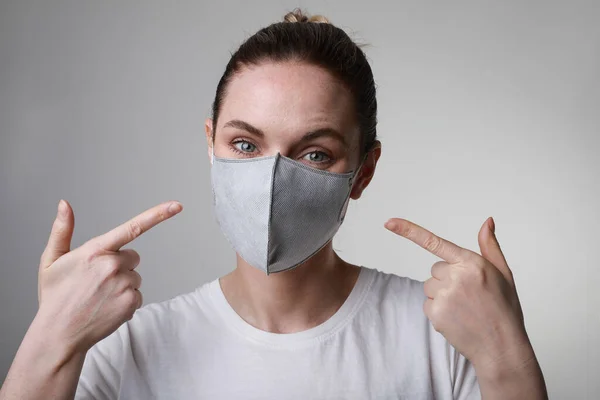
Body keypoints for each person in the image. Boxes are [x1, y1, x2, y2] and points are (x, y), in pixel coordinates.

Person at [0, 9, 547, 400]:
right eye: (245, 144)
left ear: (364, 171)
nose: (271, 179)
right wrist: (51, 339)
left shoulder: (445, 338)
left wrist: (506, 356)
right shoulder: (124, 350)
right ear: (210, 145)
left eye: (314, 152)